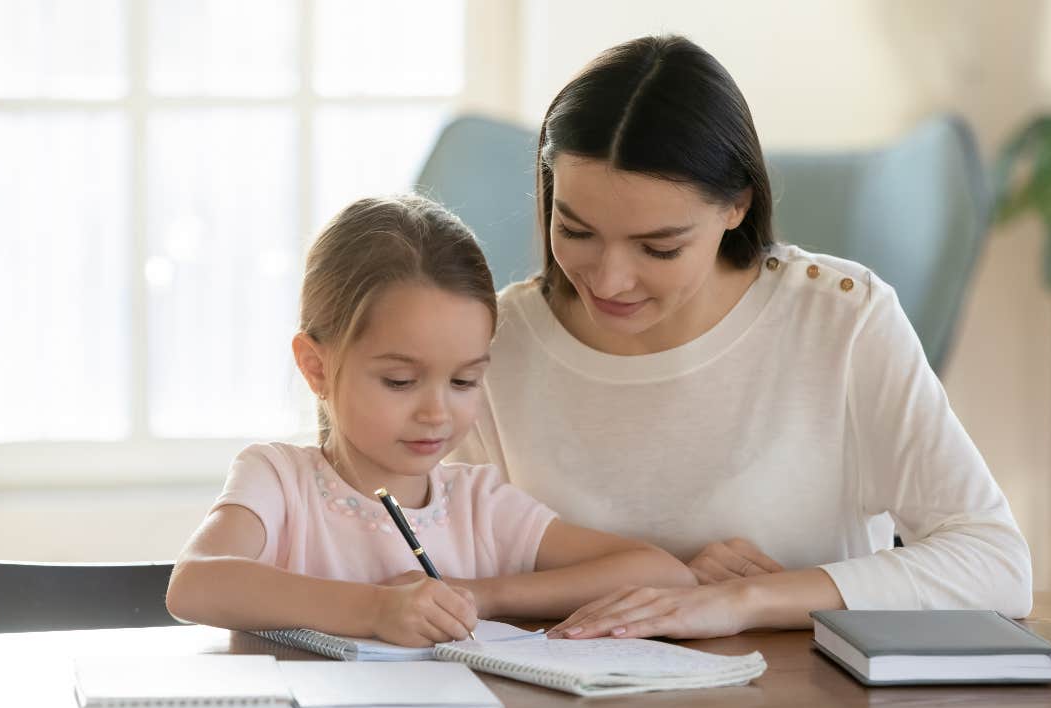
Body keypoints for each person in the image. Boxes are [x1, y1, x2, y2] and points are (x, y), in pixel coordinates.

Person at [447, 35, 1033, 640]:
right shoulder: (492, 345)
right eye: (575, 231)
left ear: (736, 206)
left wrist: (747, 600)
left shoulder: (841, 322)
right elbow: (427, 561)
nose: (609, 279)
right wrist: (672, 581)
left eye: (659, 247)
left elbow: (997, 564)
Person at [166, 195, 695, 647]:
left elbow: (663, 572)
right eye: (399, 381)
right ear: (316, 367)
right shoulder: (278, 481)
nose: (437, 413)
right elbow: (194, 584)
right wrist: (375, 610)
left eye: (464, 382)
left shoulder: (478, 504)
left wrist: (479, 594)